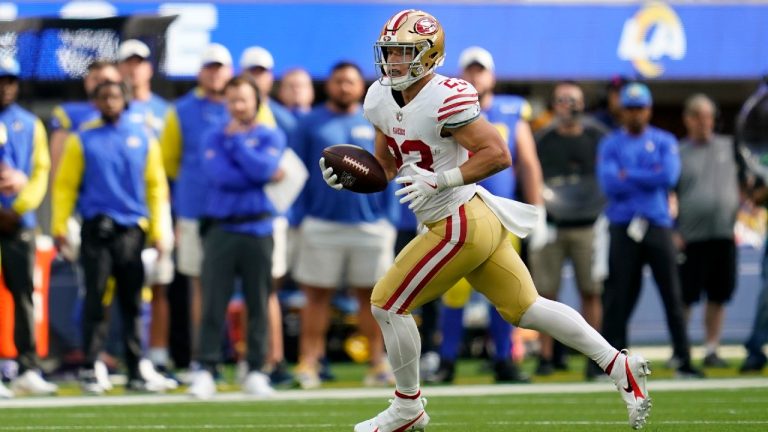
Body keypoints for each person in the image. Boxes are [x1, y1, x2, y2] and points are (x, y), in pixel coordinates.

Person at [321, 9, 651, 431]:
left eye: (404, 53)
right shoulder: (379, 97)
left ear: (429, 55)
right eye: (389, 53)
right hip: (463, 219)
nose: (394, 62)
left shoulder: (448, 96)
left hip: (459, 218)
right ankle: (619, 365)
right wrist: (351, 176)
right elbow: (386, 166)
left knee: (387, 303)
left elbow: (498, 154)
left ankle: (408, 408)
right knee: (526, 308)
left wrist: (442, 180)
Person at [427, 46, 540, 384]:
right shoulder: (448, 111)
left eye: (481, 70)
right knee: (455, 291)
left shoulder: (511, 111)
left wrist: (539, 208)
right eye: (470, 70)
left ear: (492, 76)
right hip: (459, 210)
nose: (476, 76)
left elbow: (528, 163)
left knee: (505, 291)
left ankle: (504, 359)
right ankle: (447, 360)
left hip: (502, 213)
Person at [52, 80, 168, 394]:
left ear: (125, 100)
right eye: (103, 97)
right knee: (95, 297)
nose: (110, 102)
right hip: (96, 229)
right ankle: (92, 365)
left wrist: (159, 230)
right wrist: (60, 225)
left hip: (132, 229)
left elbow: (156, 186)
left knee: (132, 303)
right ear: (95, 102)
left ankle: (135, 366)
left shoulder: (143, 136)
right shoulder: (83, 138)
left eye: (115, 96)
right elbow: (65, 185)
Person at [293, 61, 398, 389]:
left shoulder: (376, 120)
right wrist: (298, 218)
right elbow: (296, 171)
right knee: (315, 297)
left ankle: (377, 363)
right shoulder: (310, 123)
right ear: (329, 85)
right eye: (338, 81)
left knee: (372, 298)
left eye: (350, 81)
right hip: (321, 223)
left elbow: (393, 168)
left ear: (360, 86)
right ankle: (309, 362)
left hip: (370, 224)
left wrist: (390, 218)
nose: (344, 87)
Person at [186, 76, 285, 399]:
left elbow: (260, 169)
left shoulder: (270, 133)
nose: (238, 106)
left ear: (257, 101)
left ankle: (255, 368)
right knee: (213, 301)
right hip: (222, 227)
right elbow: (222, 176)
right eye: (232, 100)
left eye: (243, 99)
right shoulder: (213, 135)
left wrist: (239, 145)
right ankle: (207, 367)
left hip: (258, 227)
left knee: (258, 302)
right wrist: (254, 167)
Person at [596, 82, 702, 379]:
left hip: (657, 224)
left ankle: (683, 358)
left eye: (639, 108)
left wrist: (628, 174)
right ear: (622, 111)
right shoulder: (610, 143)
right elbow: (609, 183)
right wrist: (648, 175)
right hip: (622, 225)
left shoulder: (665, 140)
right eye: (630, 109)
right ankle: (612, 362)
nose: (635, 114)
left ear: (649, 109)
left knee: (672, 293)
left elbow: (668, 176)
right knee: (618, 295)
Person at [160, 43, 232, 363]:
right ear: (199, 73)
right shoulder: (181, 110)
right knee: (199, 286)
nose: (214, 73)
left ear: (229, 72)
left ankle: (248, 359)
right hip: (195, 210)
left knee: (249, 286)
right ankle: (203, 357)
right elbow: (169, 163)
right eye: (209, 67)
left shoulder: (246, 103)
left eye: (219, 67)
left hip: (238, 212)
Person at [531, 81, 607, 377]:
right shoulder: (543, 139)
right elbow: (533, 175)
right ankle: (546, 357)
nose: (568, 106)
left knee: (590, 290)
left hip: (589, 223)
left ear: (583, 104)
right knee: (544, 294)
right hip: (552, 223)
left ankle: (596, 357)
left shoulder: (597, 136)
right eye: (561, 100)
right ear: (554, 104)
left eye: (572, 100)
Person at [240, 46, 301, 385]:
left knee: (266, 290)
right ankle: (249, 358)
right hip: (237, 215)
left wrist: (291, 211)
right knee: (246, 290)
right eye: (251, 70)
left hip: (274, 214)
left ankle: (271, 358)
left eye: (262, 71)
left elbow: (295, 170)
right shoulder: (231, 117)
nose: (257, 77)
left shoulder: (284, 118)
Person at [117, 39, 176, 379]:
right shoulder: (110, 108)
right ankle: (117, 356)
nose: (134, 68)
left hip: (156, 206)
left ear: (148, 68)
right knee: (117, 286)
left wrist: (168, 216)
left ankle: (157, 353)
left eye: (140, 62)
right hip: (121, 209)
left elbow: (168, 168)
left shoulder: (163, 111)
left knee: (159, 285)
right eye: (129, 62)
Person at [0, 57, 57, 397]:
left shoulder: (30, 123)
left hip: (19, 222)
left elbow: (40, 173)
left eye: (9, 80)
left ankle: (27, 365)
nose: (4, 86)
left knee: (23, 295)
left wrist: (19, 207)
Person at [675, 94, 739, 368]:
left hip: (723, 233)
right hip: (690, 236)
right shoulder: (678, 152)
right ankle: (682, 348)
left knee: (718, 294)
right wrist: (673, 229)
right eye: (698, 117)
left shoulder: (730, 147)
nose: (704, 122)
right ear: (688, 119)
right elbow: (668, 194)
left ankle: (712, 348)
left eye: (708, 116)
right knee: (687, 296)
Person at [49, 60, 122, 174]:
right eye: (96, 79)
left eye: (107, 81)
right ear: (86, 81)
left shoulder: (134, 114)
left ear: (119, 81)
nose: (101, 85)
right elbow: (58, 165)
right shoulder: (68, 113)